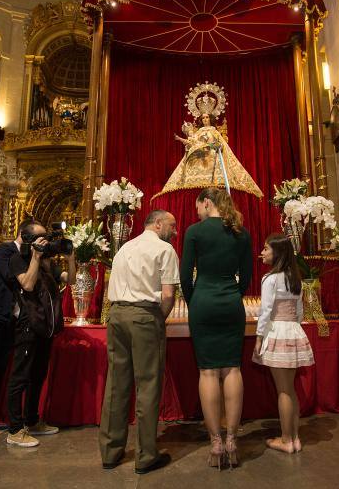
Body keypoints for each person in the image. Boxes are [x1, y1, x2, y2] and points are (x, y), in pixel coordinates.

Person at [99, 210, 179, 474]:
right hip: (145, 315)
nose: (174, 231)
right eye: (172, 225)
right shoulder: (164, 250)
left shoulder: (124, 248)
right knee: (148, 384)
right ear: (158, 223)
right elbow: (168, 294)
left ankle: (110, 452)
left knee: (116, 383)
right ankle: (145, 455)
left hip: (117, 315)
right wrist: (159, 318)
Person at [180, 187, 253, 469]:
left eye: (198, 206)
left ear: (207, 202)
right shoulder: (241, 233)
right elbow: (246, 275)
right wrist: (233, 293)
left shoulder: (194, 232)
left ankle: (216, 443)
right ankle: (233, 440)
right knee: (233, 368)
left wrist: (194, 299)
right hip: (231, 301)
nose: (197, 211)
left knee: (208, 370)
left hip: (203, 302)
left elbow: (185, 275)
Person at [0, 219, 46, 440]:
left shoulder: (26, 256)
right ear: (25, 236)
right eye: (38, 237)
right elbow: (21, 282)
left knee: (1, 366)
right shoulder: (5, 251)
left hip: (10, 317)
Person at [5, 221, 75, 448]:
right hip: (27, 326)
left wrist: (71, 257)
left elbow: (71, 280)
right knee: (20, 377)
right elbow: (27, 284)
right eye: (41, 237)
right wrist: (35, 258)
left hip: (45, 327)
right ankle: (15, 429)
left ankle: (32, 421)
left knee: (37, 376)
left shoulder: (47, 264)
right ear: (27, 239)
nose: (46, 240)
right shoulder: (17, 259)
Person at [253, 234, 315, 454]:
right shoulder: (294, 277)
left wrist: (259, 338)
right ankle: (296, 438)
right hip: (293, 332)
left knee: (283, 391)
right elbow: (299, 312)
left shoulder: (270, 279)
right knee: (291, 389)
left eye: (266, 248)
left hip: (278, 332)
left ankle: (286, 439)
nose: (262, 252)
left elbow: (266, 311)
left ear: (277, 253)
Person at [153, 112, 262, 200]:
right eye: (203, 118)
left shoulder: (215, 132)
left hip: (212, 158)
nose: (205, 119)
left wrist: (213, 146)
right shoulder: (197, 133)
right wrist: (182, 140)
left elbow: (222, 145)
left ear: (210, 119)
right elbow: (192, 143)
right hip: (198, 158)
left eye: (207, 117)